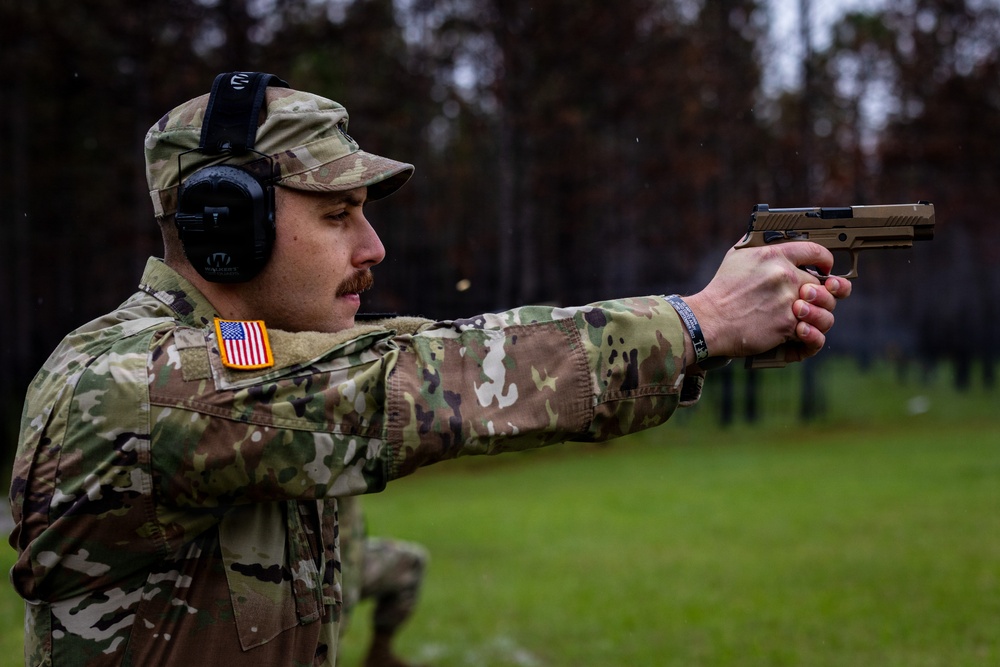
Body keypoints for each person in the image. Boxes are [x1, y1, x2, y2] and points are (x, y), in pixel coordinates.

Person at [8, 72, 851, 667]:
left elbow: (411, 350)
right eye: (338, 216)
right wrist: (699, 322)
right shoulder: (129, 384)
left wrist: (711, 337)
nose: (373, 248)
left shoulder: (269, 366)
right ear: (223, 225)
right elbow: (424, 376)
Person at [338, 495, 428, 667]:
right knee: (325, 638)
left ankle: (379, 657)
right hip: (314, 567)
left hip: (353, 554)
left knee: (410, 562)